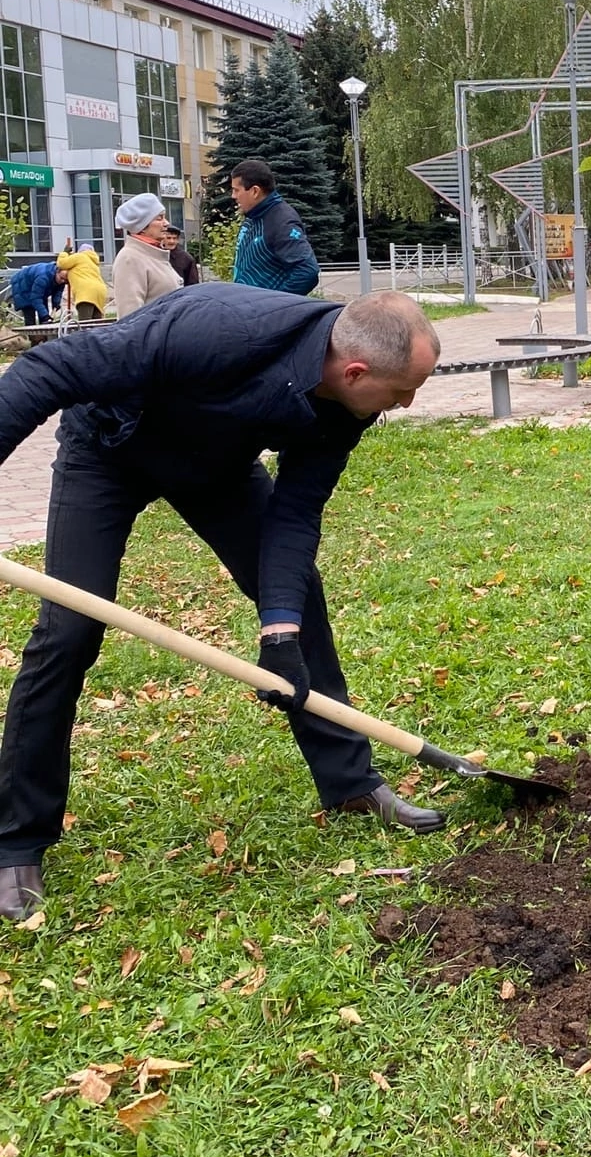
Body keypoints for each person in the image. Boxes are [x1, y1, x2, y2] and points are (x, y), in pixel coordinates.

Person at [0, 288, 444, 922]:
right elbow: (49, 369)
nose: (407, 403)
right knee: (70, 631)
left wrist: (280, 631)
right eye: (404, 390)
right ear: (355, 371)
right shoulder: (218, 330)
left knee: (300, 602)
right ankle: (18, 839)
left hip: (218, 471)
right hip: (110, 450)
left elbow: (295, 512)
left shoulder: (349, 403)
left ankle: (349, 783)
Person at [231, 159, 319, 295]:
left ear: (255, 191)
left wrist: (274, 306)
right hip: (247, 311)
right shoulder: (252, 218)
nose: (233, 196)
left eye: (237, 190)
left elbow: (307, 271)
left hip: (266, 314)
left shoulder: (281, 221)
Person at [111, 194, 183, 318]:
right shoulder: (130, 258)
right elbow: (130, 317)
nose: (166, 223)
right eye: (159, 218)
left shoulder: (153, 254)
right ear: (142, 226)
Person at [56, 243, 107, 321]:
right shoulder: (93, 263)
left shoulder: (80, 256)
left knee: (85, 324)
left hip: (86, 293)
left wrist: (64, 253)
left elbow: (62, 263)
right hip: (100, 292)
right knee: (97, 326)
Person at [8, 260, 65, 328]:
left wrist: (56, 303)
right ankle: (32, 337)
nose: (62, 281)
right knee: (30, 316)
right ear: (57, 272)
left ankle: (45, 337)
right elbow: (36, 298)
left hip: (38, 289)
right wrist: (45, 316)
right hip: (23, 288)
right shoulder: (43, 277)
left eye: (65, 280)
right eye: (61, 278)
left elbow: (58, 292)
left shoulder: (62, 278)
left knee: (44, 315)